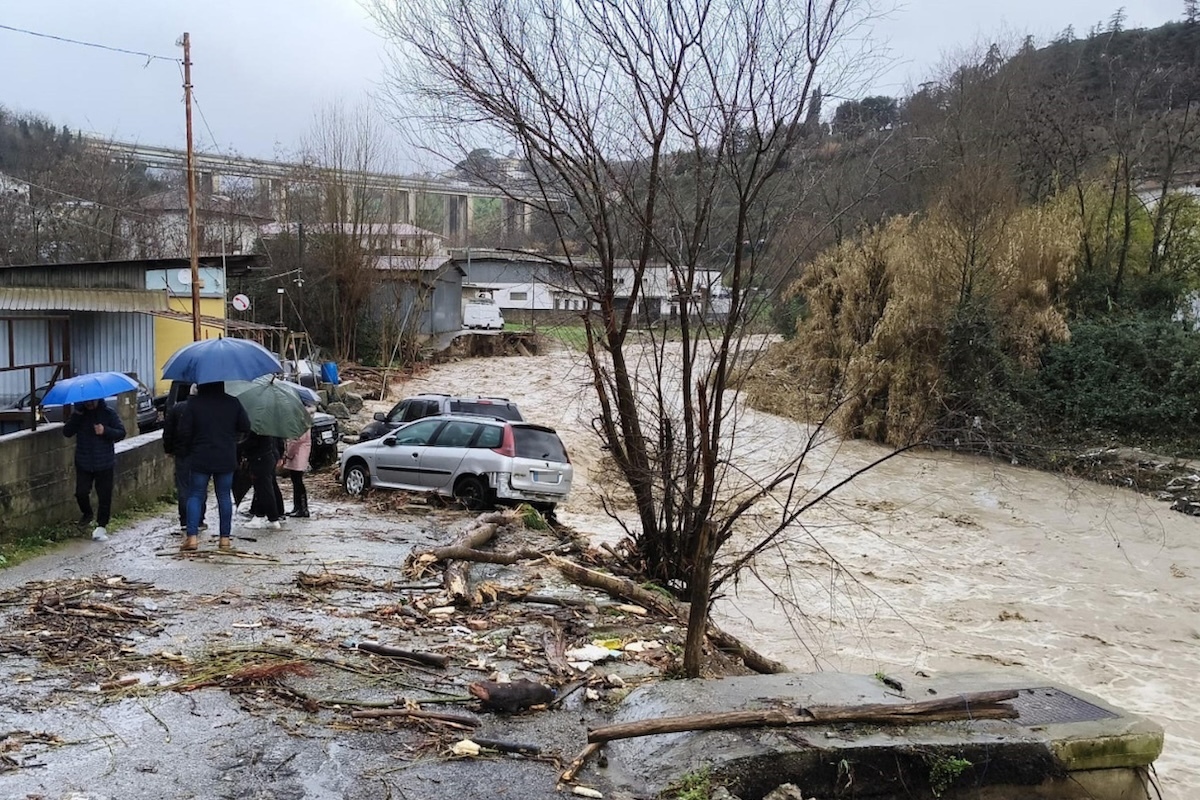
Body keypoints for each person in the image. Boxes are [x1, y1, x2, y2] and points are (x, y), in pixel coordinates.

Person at [177, 382, 251, 551]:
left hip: (200, 456)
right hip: (225, 455)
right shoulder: (233, 402)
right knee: (224, 496)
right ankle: (224, 539)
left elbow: (184, 432)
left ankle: (192, 538)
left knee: (195, 495)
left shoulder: (193, 404)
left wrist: (188, 449)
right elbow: (245, 426)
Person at [63, 397, 126, 542]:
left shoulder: (108, 413)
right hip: (84, 461)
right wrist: (77, 416)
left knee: (104, 496)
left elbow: (121, 433)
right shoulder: (79, 414)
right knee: (81, 492)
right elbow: (67, 432)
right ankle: (87, 513)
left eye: (92, 401)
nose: (89, 403)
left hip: (104, 462)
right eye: (86, 401)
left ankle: (101, 526)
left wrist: (105, 430)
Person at [161, 384, 206, 533]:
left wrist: (169, 450)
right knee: (200, 487)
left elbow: (168, 431)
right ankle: (199, 519)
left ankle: (185, 520)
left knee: (184, 487)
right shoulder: (205, 409)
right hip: (201, 454)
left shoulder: (177, 408)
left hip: (182, 454)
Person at [242, 432, 285, 530]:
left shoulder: (257, 430)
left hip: (260, 459)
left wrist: (239, 445)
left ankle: (272, 518)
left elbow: (251, 442)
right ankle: (261, 515)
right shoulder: (266, 427)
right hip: (268, 456)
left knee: (264, 489)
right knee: (263, 489)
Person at [282, 408, 313, 518]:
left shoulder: (300, 423)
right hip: (301, 454)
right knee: (297, 481)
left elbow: (295, 441)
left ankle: (302, 508)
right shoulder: (306, 421)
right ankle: (299, 507)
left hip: (297, 455)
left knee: (297, 482)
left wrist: (288, 454)